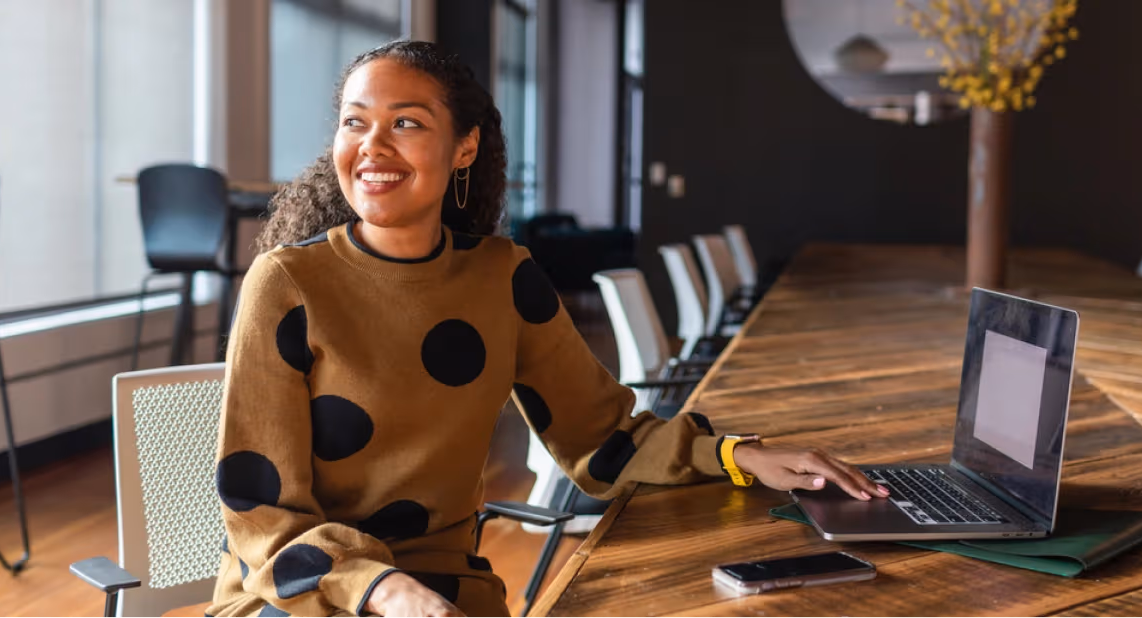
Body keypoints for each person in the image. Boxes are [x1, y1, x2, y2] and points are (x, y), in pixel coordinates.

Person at [207, 40, 887, 618]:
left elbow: (602, 437)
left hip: (447, 588)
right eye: (355, 123)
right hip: (302, 591)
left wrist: (740, 456)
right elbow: (261, 512)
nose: (373, 146)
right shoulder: (287, 282)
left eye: (406, 123)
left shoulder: (503, 277)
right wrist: (382, 588)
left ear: (464, 147)